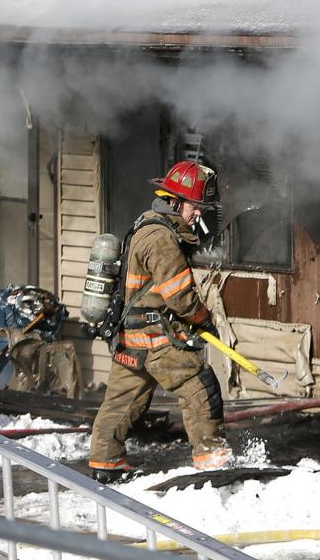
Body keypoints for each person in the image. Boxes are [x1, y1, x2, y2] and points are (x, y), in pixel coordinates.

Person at [88, 160, 229, 482]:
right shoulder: (162, 239)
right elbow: (180, 296)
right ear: (175, 201)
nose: (199, 214)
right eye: (196, 206)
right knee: (198, 387)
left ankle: (104, 463)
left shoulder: (147, 225)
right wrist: (203, 320)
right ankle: (214, 463)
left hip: (132, 337)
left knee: (122, 401)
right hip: (156, 340)